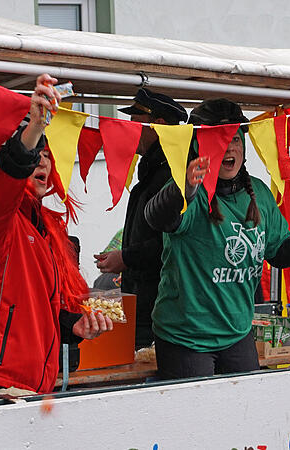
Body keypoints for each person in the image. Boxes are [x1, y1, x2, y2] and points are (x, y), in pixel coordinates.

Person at [0, 75, 112, 403]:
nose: (42, 159)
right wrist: (34, 127)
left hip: (25, 388)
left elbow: (38, 306)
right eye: (34, 151)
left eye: (46, 152)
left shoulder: (43, 230)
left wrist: (74, 324)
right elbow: (7, 176)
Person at [144, 98, 290, 380]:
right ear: (199, 148)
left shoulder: (260, 195)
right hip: (187, 338)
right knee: (202, 419)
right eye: (219, 140)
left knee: (247, 412)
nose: (229, 148)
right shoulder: (190, 190)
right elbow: (158, 218)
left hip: (237, 332)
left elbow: (277, 251)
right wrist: (187, 187)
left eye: (235, 140)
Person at [95, 88, 187, 350]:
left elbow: (169, 240)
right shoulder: (155, 169)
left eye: (136, 119)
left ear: (157, 125)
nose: (129, 126)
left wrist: (126, 258)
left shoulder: (171, 172)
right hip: (144, 296)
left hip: (159, 302)